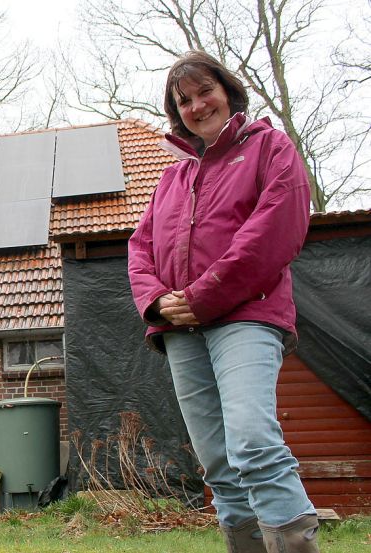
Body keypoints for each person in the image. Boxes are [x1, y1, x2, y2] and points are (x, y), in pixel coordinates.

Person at [128, 51, 319, 553]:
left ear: (227, 91)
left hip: (246, 316)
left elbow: (273, 230)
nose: (196, 105)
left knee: (253, 441)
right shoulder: (171, 179)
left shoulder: (269, 149)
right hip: (181, 330)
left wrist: (203, 295)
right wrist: (156, 302)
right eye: (183, 100)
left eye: (203, 91)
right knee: (217, 459)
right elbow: (141, 248)